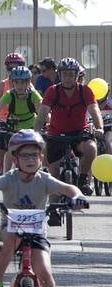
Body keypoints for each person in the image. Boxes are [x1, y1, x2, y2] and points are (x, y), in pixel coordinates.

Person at [0, 130, 85, 287]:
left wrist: (77, 197)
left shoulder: (44, 179)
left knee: (45, 274)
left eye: (34, 155)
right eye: (24, 155)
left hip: (37, 232)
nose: (30, 159)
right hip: (11, 227)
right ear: (14, 158)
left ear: (41, 158)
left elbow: (69, 188)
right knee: (8, 242)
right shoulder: (9, 179)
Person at [37, 57, 102, 195]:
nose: (68, 77)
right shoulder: (52, 91)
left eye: (71, 74)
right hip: (56, 134)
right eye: (65, 74)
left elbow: (94, 110)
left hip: (79, 133)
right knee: (53, 173)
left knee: (91, 148)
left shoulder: (85, 91)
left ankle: (83, 179)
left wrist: (99, 128)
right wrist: (35, 131)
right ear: (59, 75)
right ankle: (54, 213)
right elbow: (43, 112)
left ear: (77, 75)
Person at [0, 66, 40, 172]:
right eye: (17, 82)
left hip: (32, 128)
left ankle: (42, 172)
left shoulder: (33, 94)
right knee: (10, 151)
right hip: (13, 128)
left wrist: (48, 120)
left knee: (41, 149)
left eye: (23, 82)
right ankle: (6, 177)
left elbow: (42, 110)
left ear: (28, 82)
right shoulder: (10, 94)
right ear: (12, 83)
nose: (19, 86)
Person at [0, 52, 30, 120]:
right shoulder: (3, 84)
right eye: (10, 68)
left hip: (24, 120)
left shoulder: (28, 85)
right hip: (5, 122)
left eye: (16, 68)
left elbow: (36, 102)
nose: (13, 71)